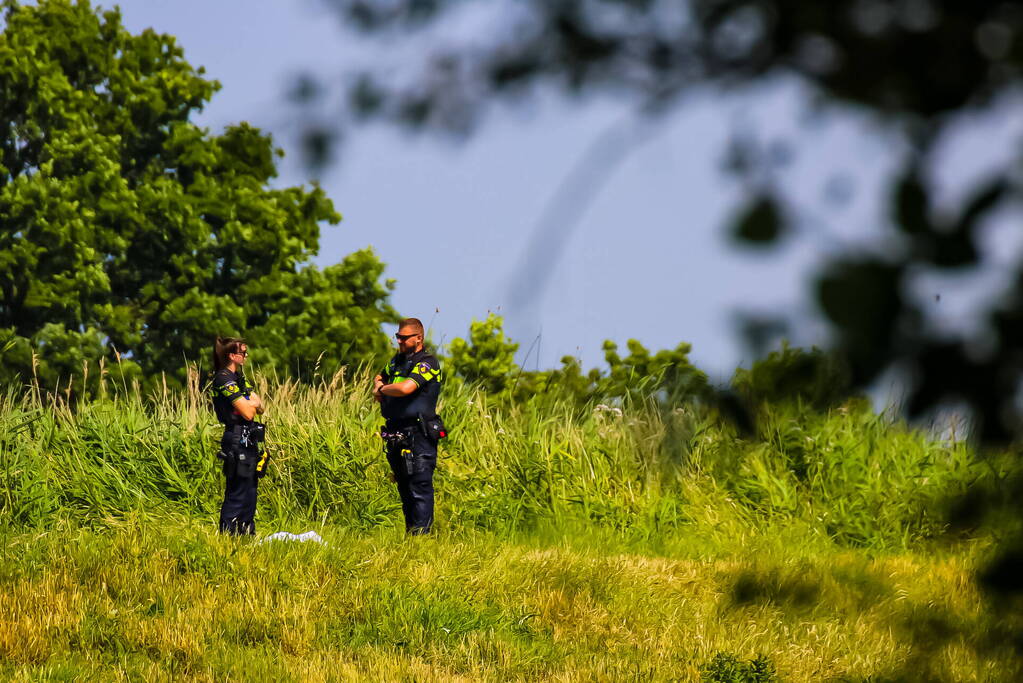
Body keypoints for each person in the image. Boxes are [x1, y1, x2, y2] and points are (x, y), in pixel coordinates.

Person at [374, 318, 445, 534]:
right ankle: (411, 536)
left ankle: (422, 539)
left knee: (419, 486)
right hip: (396, 432)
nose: (400, 342)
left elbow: (406, 388)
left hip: (419, 433)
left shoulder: (427, 362)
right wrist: (379, 383)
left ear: (419, 338)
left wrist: (382, 390)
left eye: (405, 338)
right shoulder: (397, 361)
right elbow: (380, 375)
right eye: (398, 337)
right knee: (404, 486)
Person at [210, 337, 267, 535]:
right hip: (235, 439)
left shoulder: (240, 378)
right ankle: (228, 537)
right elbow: (249, 412)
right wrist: (250, 404)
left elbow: (260, 406)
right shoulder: (223, 379)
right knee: (237, 492)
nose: (246, 356)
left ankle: (246, 535)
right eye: (243, 353)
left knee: (250, 492)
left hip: (249, 438)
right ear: (232, 356)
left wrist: (251, 403)